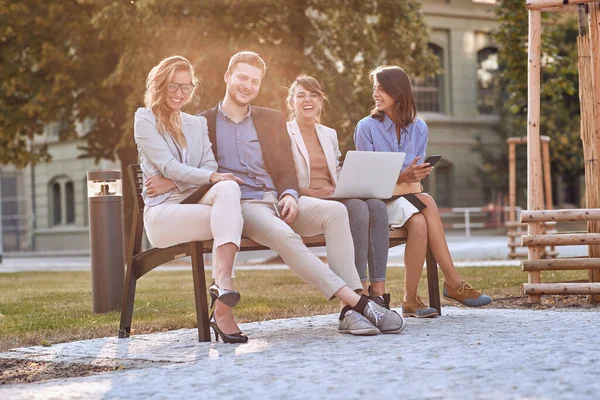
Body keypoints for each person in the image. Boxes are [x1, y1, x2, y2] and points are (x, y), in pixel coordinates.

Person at [199, 51, 406, 336]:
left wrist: (288, 194)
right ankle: (359, 304)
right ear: (227, 77)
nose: (247, 86)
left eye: (254, 81)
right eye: (242, 78)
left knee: (336, 211)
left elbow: (285, 168)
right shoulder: (202, 123)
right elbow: (194, 168)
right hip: (243, 205)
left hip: (278, 200)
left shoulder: (268, 119)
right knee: (285, 235)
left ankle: (349, 312)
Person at [354, 65, 492, 316]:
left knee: (419, 223)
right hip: (377, 203)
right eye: (375, 88)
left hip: (408, 198)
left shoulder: (420, 128)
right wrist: (403, 177)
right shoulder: (366, 127)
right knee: (427, 201)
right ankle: (453, 283)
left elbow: (414, 184)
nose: (376, 94)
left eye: (382, 89)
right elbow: (367, 183)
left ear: (399, 92)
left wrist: (411, 177)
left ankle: (410, 300)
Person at [134, 56, 248, 343]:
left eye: (187, 86)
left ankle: (222, 289)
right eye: (173, 85)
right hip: (164, 215)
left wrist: (176, 181)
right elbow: (172, 165)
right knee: (231, 216)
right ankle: (223, 305)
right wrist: (194, 177)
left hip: (194, 206)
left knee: (229, 190)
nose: (180, 93)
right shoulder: (144, 118)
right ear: (160, 84)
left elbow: (208, 165)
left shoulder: (196, 124)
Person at [285, 75, 395, 310]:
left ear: (321, 102)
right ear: (291, 102)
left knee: (376, 206)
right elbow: (280, 178)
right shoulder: (283, 133)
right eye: (301, 95)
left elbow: (335, 170)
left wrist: (349, 182)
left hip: (333, 197)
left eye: (314, 95)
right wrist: (312, 192)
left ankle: (378, 290)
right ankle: (359, 290)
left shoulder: (329, 134)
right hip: (303, 201)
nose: (308, 100)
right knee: (356, 209)